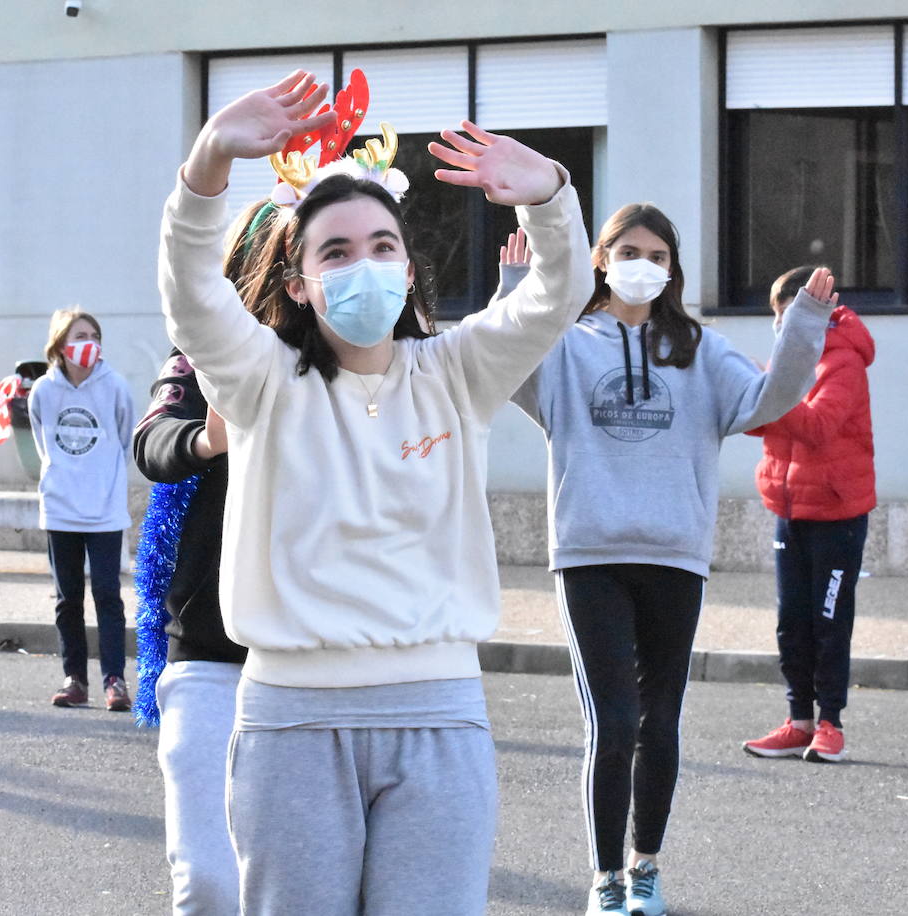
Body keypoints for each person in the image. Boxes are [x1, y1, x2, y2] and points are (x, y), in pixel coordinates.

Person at [157, 70, 592, 915]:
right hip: (290, 719)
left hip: (440, 717)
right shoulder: (260, 384)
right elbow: (190, 294)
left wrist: (550, 196)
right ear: (297, 283)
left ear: (408, 265)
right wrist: (208, 159)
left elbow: (557, 294)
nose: (366, 266)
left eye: (383, 246)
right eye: (337, 252)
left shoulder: (459, 372)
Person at [498, 207, 832, 914]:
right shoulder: (565, 346)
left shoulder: (702, 351)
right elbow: (501, 366)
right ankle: (606, 879)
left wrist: (803, 327)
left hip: (675, 558)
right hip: (590, 557)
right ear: (601, 260)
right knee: (613, 724)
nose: (641, 263)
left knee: (661, 722)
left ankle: (644, 866)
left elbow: (770, 399)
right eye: (627, 251)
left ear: (672, 268)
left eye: (655, 253)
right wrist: (515, 289)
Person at [132, 198, 278, 915]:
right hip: (209, 652)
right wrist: (205, 439)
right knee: (211, 884)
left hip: (315, 661)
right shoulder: (201, 357)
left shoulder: (348, 363)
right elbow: (154, 441)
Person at [740, 265, 876, 764]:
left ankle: (830, 723)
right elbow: (765, 425)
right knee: (789, 620)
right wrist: (758, 396)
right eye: (776, 316)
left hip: (837, 514)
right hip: (789, 508)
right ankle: (797, 721)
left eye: (788, 314)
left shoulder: (843, 362)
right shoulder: (790, 361)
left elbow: (817, 428)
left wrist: (768, 391)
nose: (781, 326)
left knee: (828, 620)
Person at [27, 307, 135, 711]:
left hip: (104, 509)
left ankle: (115, 681)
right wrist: (63, 476)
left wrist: (101, 478)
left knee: (108, 595)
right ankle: (74, 678)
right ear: (60, 345)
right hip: (60, 509)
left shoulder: (116, 387)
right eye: (79, 335)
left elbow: (123, 440)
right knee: (67, 598)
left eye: (94, 334)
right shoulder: (43, 391)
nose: (88, 343)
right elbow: (43, 443)